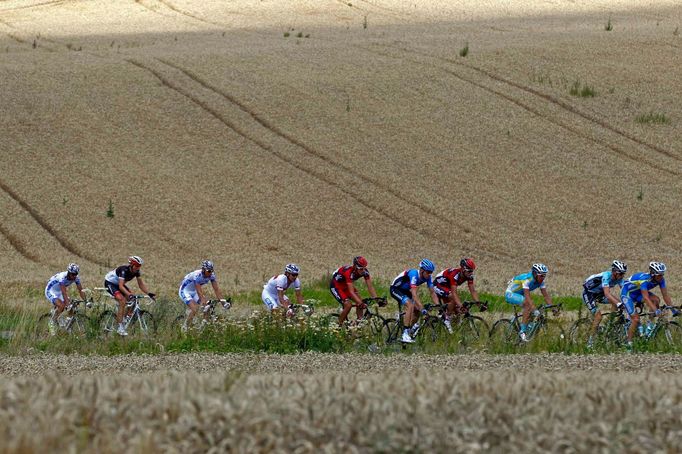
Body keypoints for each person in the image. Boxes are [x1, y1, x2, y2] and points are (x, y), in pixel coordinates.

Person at [620, 261, 673, 348]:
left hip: (638, 293)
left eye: (662, 274)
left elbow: (665, 295)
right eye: (659, 275)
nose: (661, 277)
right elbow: (646, 298)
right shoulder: (644, 279)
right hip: (627, 294)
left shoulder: (661, 280)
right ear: (653, 274)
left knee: (656, 300)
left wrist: (673, 310)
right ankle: (628, 345)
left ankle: (649, 326)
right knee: (636, 319)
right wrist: (656, 310)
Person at [389, 258, 440, 343]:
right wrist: (423, 308)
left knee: (417, 310)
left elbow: (432, 293)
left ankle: (409, 329)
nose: (429, 274)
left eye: (431, 272)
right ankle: (405, 334)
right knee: (410, 305)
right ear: (422, 270)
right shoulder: (414, 274)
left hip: (405, 291)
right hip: (396, 289)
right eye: (428, 272)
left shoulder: (428, 277)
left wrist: (438, 306)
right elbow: (414, 295)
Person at [103, 256, 155, 336]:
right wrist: (129, 294)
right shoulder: (124, 270)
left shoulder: (137, 272)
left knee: (134, 299)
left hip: (119, 285)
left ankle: (125, 317)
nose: (138, 268)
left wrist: (148, 293)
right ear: (132, 265)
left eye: (139, 266)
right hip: (110, 283)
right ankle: (120, 328)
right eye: (136, 266)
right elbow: (120, 286)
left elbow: (140, 285)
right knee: (122, 300)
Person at [582, 260, 627, 347]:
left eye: (623, 274)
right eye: (620, 274)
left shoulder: (619, 279)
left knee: (616, 301)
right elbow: (607, 294)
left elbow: (626, 292)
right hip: (589, 293)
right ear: (614, 272)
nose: (622, 276)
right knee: (598, 316)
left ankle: (609, 325)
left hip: (599, 293)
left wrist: (630, 302)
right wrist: (619, 304)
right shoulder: (606, 276)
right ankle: (590, 343)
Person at [505, 263, 553, 342]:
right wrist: (535, 310)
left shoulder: (541, 282)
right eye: (541, 275)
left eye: (544, 275)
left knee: (531, 308)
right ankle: (522, 332)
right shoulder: (527, 279)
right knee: (528, 305)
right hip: (511, 293)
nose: (543, 278)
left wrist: (552, 307)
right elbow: (527, 297)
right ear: (535, 274)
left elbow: (546, 296)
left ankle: (525, 329)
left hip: (520, 294)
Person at [179, 260, 228, 332]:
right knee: (195, 308)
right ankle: (185, 328)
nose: (210, 273)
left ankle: (203, 327)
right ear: (203, 269)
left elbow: (216, 290)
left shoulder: (212, 275)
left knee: (208, 307)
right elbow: (199, 292)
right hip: (185, 291)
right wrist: (203, 301)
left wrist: (223, 302)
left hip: (194, 291)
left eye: (211, 271)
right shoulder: (197, 275)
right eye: (208, 271)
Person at [433, 258, 480, 333]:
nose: (471, 273)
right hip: (438, 285)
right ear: (463, 269)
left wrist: (478, 303)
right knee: (454, 299)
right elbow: (454, 293)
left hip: (447, 288)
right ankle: (446, 318)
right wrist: (461, 305)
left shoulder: (469, 276)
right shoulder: (454, 275)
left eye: (472, 271)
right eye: (469, 271)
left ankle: (454, 333)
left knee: (458, 311)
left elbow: (473, 291)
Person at [330, 256, 379, 326]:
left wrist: (377, 300)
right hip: (336, 286)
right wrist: (360, 303)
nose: (363, 271)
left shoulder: (364, 272)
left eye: (365, 268)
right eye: (361, 269)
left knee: (359, 301)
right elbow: (351, 292)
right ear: (355, 267)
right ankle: (338, 326)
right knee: (348, 305)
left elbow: (370, 287)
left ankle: (358, 324)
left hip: (346, 285)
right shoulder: (348, 272)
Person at [44, 263, 87, 335]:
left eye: (76, 274)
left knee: (72, 306)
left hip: (59, 291)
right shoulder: (62, 278)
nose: (74, 276)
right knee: (61, 306)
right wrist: (67, 305)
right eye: (73, 274)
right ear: (69, 273)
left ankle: (69, 324)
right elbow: (64, 293)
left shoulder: (76, 278)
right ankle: (51, 322)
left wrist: (86, 301)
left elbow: (80, 290)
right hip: (51, 290)